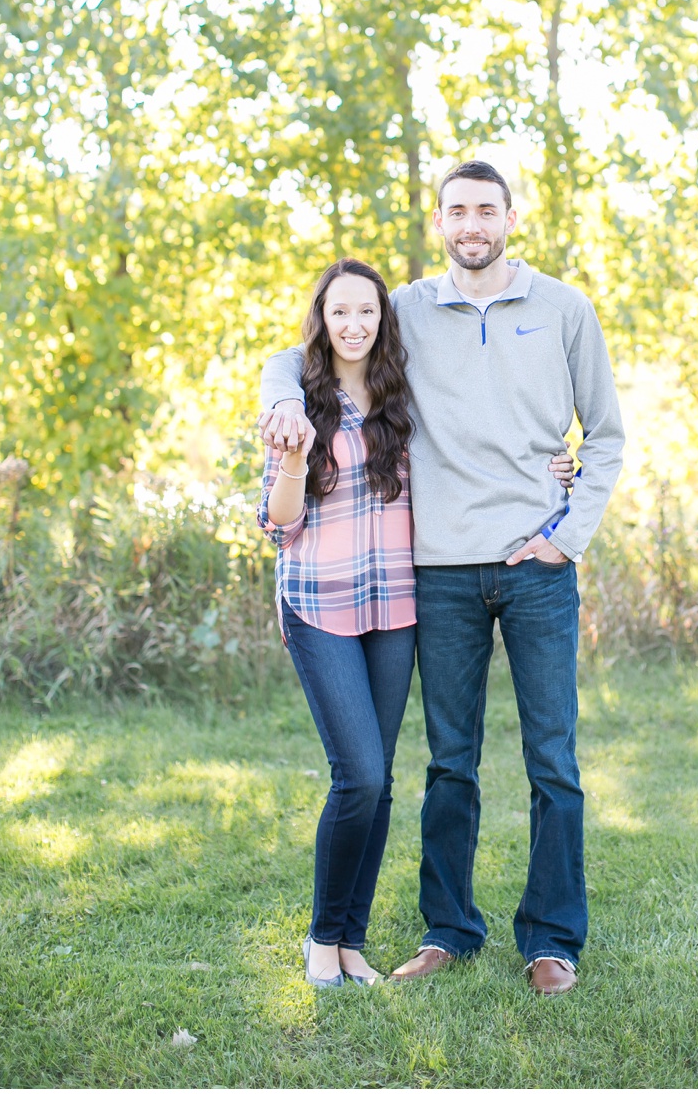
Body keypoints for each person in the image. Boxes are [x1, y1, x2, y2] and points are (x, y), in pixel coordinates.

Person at [259, 160, 624, 997]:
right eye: (457, 209)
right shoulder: (411, 309)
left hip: (535, 563)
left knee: (553, 761)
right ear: (438, 219)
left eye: (485, 210)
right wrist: (279, 397)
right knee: (449, 762)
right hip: (437, 570)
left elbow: (604, 434)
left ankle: (552, 938)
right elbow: (308, 346)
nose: (471, 223)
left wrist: (569, 536)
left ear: (509, 216)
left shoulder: (564, 308)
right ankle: (449, 927)